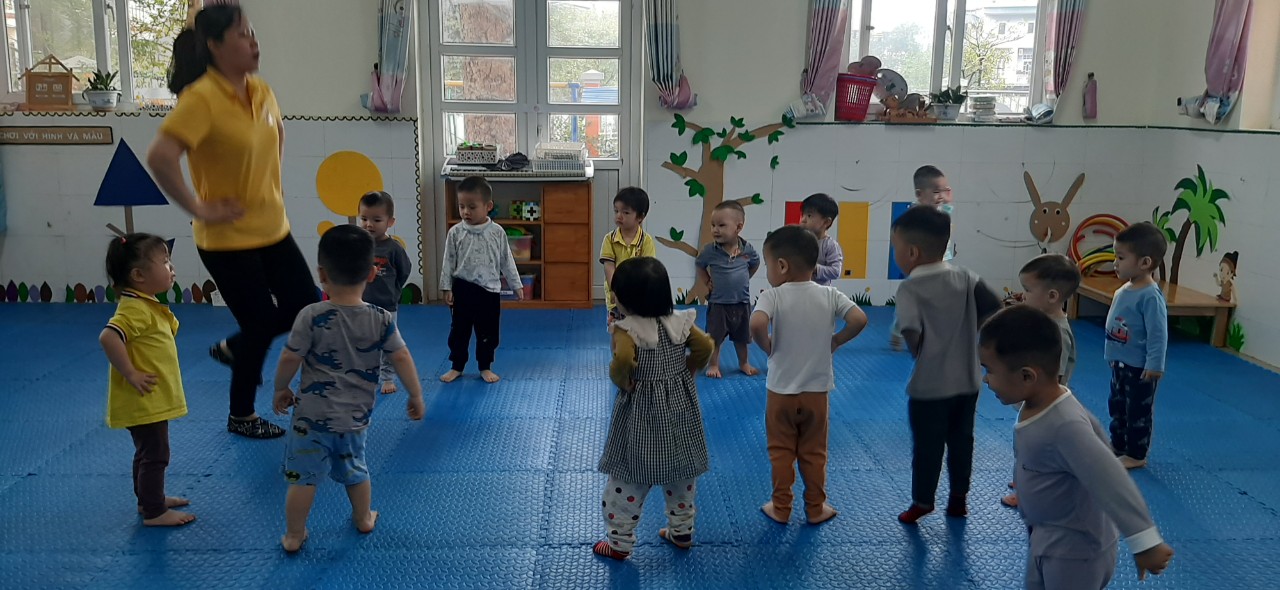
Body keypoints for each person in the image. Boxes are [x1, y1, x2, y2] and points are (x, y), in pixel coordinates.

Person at [146, 2, 317, 439]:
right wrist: (198, 206)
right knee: (259, 323)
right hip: (225, 240)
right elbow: (160, 157)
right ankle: (241, 415)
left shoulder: (261, 90)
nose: (253, 42)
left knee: (305, 306)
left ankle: (235, 347)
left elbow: (278, 133)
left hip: (272, 228)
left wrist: (271, 185)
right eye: (243, 35)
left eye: (253, 32)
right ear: (215, 45)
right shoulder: (201, 98)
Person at [979, 305, 1175, 590]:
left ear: (1027, 376)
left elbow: (1110, 477)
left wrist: (1144, 541)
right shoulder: (1042, 404)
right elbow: (1100, 442)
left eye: (989, 370)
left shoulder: (1064, 426)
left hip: (1076, 549)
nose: (985, 379)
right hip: (1046, 535)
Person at [271, 225, 425, 553]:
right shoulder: (381, 318)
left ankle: (295, 535)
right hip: (354, 419)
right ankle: (363, 518)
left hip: (310, 419)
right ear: (371, 274)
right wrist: (415, 394)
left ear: (321, 274)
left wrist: (280, 388)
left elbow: (289, 356)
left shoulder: (310, 315)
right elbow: (401, 356)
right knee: (356, 470)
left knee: (302, 478)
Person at [593, 257, 714, 560]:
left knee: (629, 475)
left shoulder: (626, 329)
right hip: (679, 409)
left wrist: (622, 381)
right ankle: (682, 531)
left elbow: (623, 361)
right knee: (681, 470)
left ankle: (619, 543)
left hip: (642, 414)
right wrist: (689, 368)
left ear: (626, 300)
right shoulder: (679, 322)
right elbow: (705, 347)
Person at [891, 205, 1001, 524]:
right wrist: (973, 339)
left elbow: (911, 331)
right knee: (962, 442)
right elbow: (994, 308)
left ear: (912, 252)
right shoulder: (966, 277)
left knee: (927, 447)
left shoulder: (909, 287)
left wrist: (921, 351)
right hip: (967, 381)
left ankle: (923, 501)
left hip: (929, 386)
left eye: (896, 248)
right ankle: (958, 499)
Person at [751, 225, 868, 525]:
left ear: (781, 266)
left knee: (781, 452)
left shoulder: (773, 296)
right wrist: (836, 341)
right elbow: (859, 318)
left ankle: (781, 507)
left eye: (767, 265)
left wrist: (767, 346)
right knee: (815, 453)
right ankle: (816, 508)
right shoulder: (830, 294)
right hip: (816, 392)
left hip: (780, 393)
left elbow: (757, 324)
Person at [99, 233, 196, 527]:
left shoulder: (144, 303)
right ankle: (154, 511)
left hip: (149, 397)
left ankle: (148, 500)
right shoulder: (136, 308)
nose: (172, 268)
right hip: (144, 399)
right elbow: (109, 336)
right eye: (165, 262)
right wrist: (131, 373)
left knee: (146, 452)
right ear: (139, 276)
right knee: (156, 454)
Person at [1002, 253, 1083, 509]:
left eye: (1028, 290)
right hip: (1031, 400)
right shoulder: (1043, 321)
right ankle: (1023, 479)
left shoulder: (1057, 333)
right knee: (1023, 446)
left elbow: (1053, 378)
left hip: (1043, 406)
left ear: (1052, 296)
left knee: (1033, 450)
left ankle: (1028, 492)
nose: (1023, 295)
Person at [439, 176, 523, 384]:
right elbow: (448, 261)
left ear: (488, 206)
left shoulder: (497, 232)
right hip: (462, 289)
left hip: (489, 291)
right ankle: (457, 365)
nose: (465, 212)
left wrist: (516, 284)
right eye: (461, 206)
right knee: (459, 331)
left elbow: (506, 260)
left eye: (472, 207)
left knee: (488, 332)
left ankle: (485, 366)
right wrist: (446, 287)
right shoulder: (455, 232)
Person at [1105, 222, 1169, 470]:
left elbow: (1157, 334)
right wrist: (1112, 355)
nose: (1115, 263)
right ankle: (1118, 444)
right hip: (1121, 363)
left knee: (1137, 412)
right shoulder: (1124, 290)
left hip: (1141, 368)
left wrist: (1155, 364)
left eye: (1121, 258)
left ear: (1144, 263)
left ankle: (1136, 453)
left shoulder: (1150, 296)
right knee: (1117, 405)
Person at [890, 165, 957, 351]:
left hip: (941, 262)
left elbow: (946, 232)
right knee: (914, 299)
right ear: (920, 194)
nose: (941, 196)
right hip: (919, 264)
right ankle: (898, 328)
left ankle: (934, 334)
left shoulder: (944, 212)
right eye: (935, 192)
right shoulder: (914, 216)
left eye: (944, 191)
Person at [695, 201, 760, 378]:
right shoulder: (710, 251)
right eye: (713, 225)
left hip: (741, 302)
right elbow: (700, 265)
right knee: (714, 337)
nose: (715, 230)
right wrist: (706, 281)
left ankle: (744, 363)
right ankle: (714, 364)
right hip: (718, 303)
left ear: (738, 227)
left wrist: (746, 277)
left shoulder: (747, 249)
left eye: (721, 225)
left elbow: (755, 263)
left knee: (742, 337)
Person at [357, 191, 412, 395]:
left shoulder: (393, 248)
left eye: (376, 220)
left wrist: (394, 290)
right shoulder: (359, 245)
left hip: (387, 304)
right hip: (361, 303)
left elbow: (404, 270)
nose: (369, 224)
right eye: (364, 219)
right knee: (364, 341)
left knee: (388, 341)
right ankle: (365, 373)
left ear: (390, 222)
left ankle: (387, 377)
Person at [599, 187, 657, 325]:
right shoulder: (609, 239)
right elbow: (609, 267)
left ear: (640, 217)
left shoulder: (646, 241)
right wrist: (617, 289)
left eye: (625, 212)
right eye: (616, 211)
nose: (619, 216)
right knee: (617, 330)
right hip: (616, 297)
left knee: (639, 331)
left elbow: (648, 270)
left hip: (639, 297)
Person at [797, 193, 843, 286]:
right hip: (800, 289)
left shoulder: (830, 245)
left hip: (821, 291)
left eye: (809, 215)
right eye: (802, 215)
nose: (803, 220)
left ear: (826, 222)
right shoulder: (798, 241)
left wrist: (814, 269)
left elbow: (836, 271)